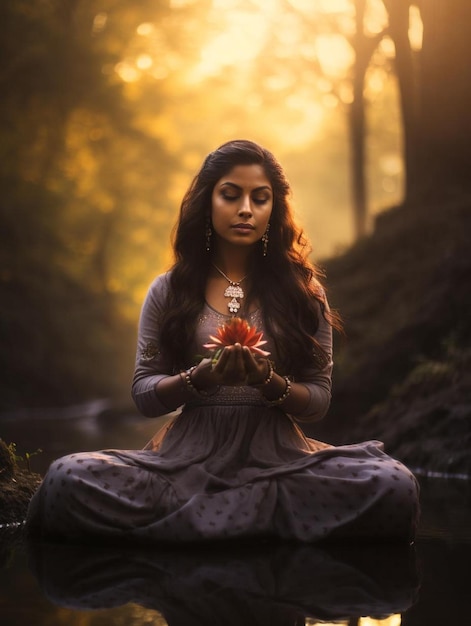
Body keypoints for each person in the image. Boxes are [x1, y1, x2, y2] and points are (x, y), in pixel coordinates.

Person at [26, 139, 419, 543]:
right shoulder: (170, 290)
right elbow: (144, 395)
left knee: (394, 483)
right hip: (183, 461)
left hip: (280, 459)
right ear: (208, 201)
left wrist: (270, 382)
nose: (245, 209)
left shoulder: (304, 292)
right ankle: (262, 529)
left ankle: (200, 531)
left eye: (260, 198)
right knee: (66, 477)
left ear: (275, 209)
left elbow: (318, 401)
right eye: (231, 195)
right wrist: (198, 379)